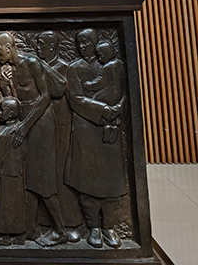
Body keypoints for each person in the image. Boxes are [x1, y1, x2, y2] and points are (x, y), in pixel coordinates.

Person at [0, 32, 67, 247]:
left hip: (41, 123)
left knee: (43, 179)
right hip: (25, 123)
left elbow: (45, 97)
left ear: (8, 47)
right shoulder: (10, 70)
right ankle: (31, 229)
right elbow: (16, 101)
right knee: (29, 178)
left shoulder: (32, 62)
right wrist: (5, 85)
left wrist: (25, 126)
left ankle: (60, 231)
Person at [65, 29, 127, 249]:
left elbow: (125, 91)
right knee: (87, 183)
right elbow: (75, 99)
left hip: (109, 131)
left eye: (86, 42)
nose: (82, 46)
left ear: (95, 42)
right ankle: (93, 227)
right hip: (86, 131)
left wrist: (117, 109)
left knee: (112, 182)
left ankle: (109, 227)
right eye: (79, 43)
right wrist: (102, 109)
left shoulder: (113, 65)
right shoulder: (75, 68)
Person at [36, 31, 82, 239]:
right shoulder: (38, 66)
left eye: (41, 44)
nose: (38, 48)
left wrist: (42, 66)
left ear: (52, 47)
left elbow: (59, 89)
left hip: (61, 127)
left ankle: (69, 224)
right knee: (44, 175)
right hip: (42, 126)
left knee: (61, 174)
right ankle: (46, 223)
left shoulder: (64, 67)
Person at [0, 96, 27, 246]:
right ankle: (19, 235)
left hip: (5, 175)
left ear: (10, 114)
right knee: (17, 205)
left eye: (1, 110)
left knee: (5, 206)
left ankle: (4, 236)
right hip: (17, 174)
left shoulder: (4, 133)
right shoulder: (21, 129)